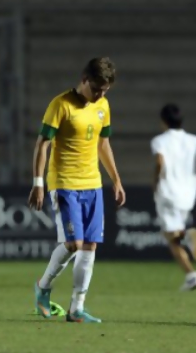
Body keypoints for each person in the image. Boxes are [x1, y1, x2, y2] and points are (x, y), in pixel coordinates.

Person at [28, 57, 125, 324]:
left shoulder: (103, 106)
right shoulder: (60, 105)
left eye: (104, 91)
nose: (99, 95)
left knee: (90, 246)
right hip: (64, 183)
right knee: (73, 244)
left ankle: (76, 309)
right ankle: (43, 287)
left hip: (92, 184)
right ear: (84, 80)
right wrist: (38, 183)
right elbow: (42, 144)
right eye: (96, 89)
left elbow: (103, 144)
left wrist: (115, 179)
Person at [151, 103, 196, 291]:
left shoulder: (160, 141)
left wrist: (155, 182)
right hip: (188, 197)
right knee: (174, 235)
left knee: (171, 238)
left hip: (167, 194)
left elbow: (159, 162)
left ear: (163, 121)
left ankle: (189, 255)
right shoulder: (194, 140)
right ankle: (191, 270)